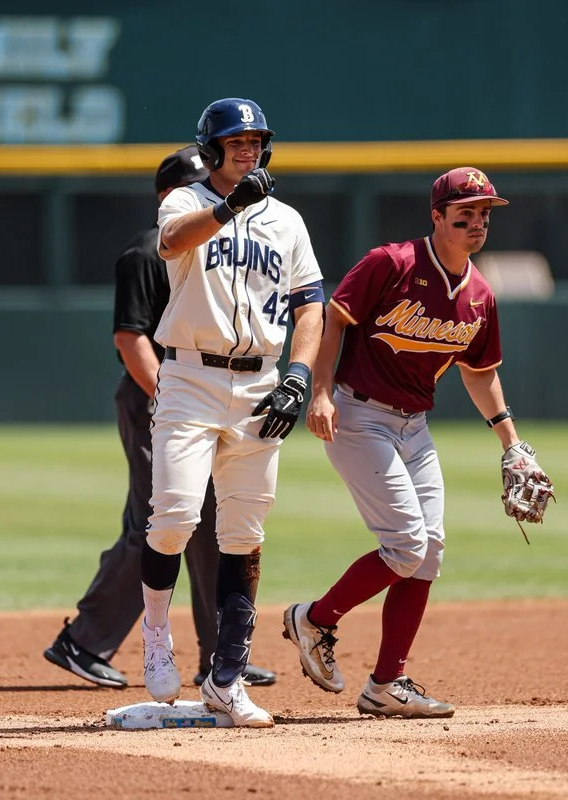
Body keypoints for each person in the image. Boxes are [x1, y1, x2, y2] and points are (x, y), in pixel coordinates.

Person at [282, 167, 554, 719]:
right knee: (406, 545)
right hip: (359, 416)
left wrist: (511, 443)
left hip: (414, 426)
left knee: (427, 553)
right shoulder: (392, 263)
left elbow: (479, 372)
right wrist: (321, 392)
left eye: (484, 213)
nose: (477, 222)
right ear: (437, 216)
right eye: (465, 213)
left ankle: (386, 683)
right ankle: (314, 619)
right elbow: (335, 320)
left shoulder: (480, 294)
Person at [43, 146, 276, 691]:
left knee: (211, 525)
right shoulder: (147, 250)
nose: (209, 190)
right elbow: (131, 339)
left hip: (204, 398)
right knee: (161, 521)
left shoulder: (224, 247)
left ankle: (221, 655)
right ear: (169, 195)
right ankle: (83, 641)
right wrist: (167, 395)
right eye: (196, 184)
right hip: (158, 395)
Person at [139, 97, 325, 728]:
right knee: (174, 518)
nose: (247, 150)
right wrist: (228, 207)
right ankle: (156, 634)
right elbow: (171, 243)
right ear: (211, 149)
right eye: (235, 141)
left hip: (260, 384)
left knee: (244, 535)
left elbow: (309, 304)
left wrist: (299, 373)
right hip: (190, 376)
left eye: (255, 141)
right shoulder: (185, 200)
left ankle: (226, 678)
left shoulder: (288, 222)